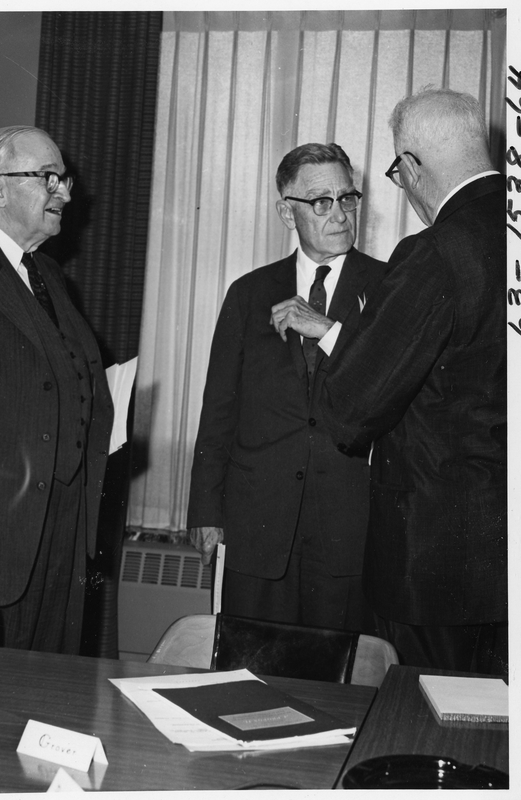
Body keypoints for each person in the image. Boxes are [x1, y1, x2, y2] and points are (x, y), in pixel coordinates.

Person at [273, 89, 507, 675]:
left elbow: (352, 408)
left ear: (411, 165)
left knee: (419, 729)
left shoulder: (434, 252)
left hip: (433, 559)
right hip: (506, 551)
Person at [187, 142, 386, 630]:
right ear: (285, 211)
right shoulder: (249, 293)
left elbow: (391, 389)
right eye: (321, 201)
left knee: (342, 684)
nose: (339, 214)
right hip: (260, 523)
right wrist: (205, 508)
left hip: (350, 527)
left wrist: (329, 330)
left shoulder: (389, 288)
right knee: (250, 678)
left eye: (348, 198)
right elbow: (219, 410)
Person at [0, 125, 113, 654]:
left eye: (64, 178)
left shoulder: (49, 274)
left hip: (63, 537)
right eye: (49, 177)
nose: (66, 193)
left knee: (48, 690)